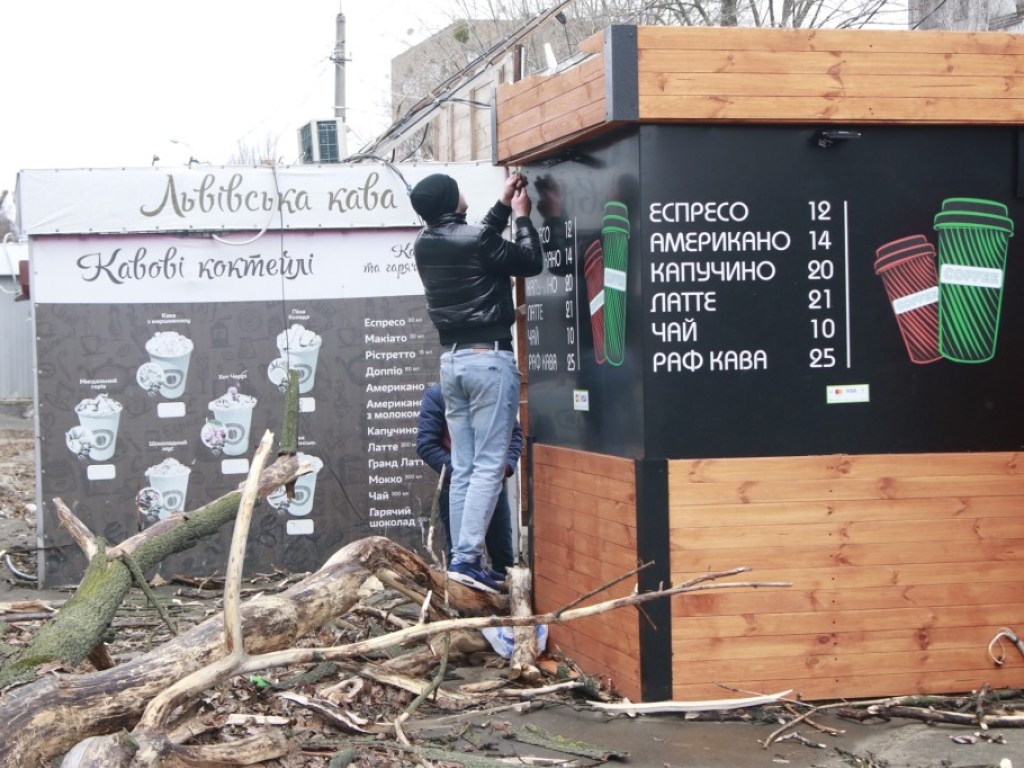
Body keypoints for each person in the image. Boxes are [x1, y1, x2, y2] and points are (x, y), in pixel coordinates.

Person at [411, 171, 542, 593]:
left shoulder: (425, 243)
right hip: (489, 360)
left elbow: (477, 240)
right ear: (452, 201)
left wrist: (503, 206)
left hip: (453, 363)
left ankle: (461, 559)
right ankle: (468, 560)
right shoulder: (473, 240)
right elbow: (529, 262)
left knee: (465, 467)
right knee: (488, 464)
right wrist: (522, 218)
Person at [416, 383, 523, 579]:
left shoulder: (493, 392)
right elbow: (426, 445)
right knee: (460, 561)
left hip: (493, 489)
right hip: (456, 490)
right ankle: (467, 608)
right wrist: (464, 475)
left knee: (504, 560)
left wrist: (504, 467)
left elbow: (514, 434)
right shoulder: (437, 396)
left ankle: (507, 607)